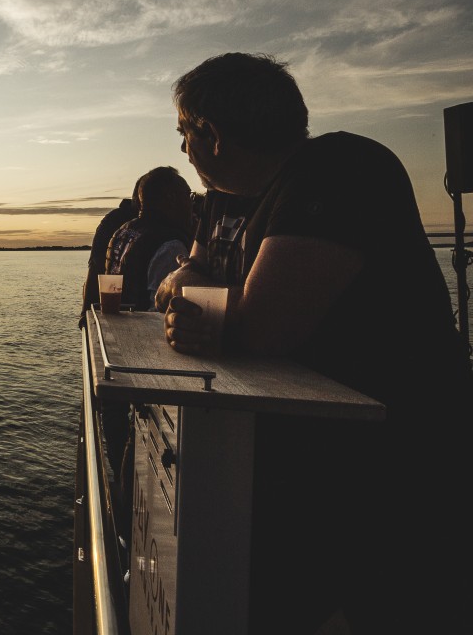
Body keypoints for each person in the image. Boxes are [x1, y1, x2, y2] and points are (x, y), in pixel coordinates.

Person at [156, 52, 473, 635]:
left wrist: (213, 309)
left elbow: (264, 328)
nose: (183, 152)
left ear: (212, 134)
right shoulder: (232, 198)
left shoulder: (341, 166)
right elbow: (184, 281)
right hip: (315, 471)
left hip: (399, 473)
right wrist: (208, 300)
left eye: (185, 134)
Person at [104, 165, 194, 311]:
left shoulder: (123, 231)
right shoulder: (170, 245)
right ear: (171, 198)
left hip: (121, 323)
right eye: (188, 195)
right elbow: (161, 309)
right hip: (143, 329)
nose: (192, 203)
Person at [78, 186, 139, 328]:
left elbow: (94, 265)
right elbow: (95, 265)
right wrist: (86, 313)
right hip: (120, 314)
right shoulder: (116, 220)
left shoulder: (115, 219)